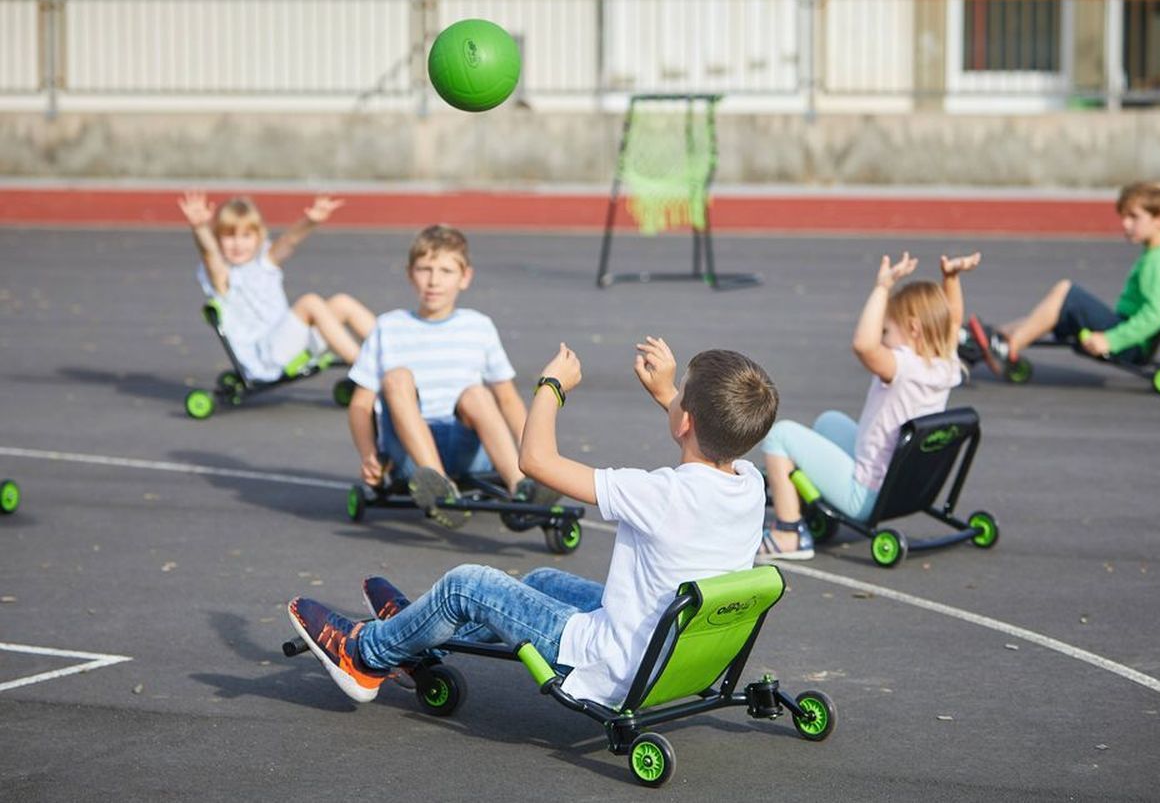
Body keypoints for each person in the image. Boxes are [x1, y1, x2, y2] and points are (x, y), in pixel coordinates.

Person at [288, 337, 779, 707]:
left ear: (686, 420)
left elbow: (535, 461)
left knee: (467, 585)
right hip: (677, 656)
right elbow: (704, 437)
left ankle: (365, 653)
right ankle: (417, 635)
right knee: (543, 580)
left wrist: (551, 388)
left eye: (680, 399)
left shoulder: (658, 493)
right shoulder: (749, 481)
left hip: (616, 666)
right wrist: (671, 393)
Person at [757, 251, 980, 561]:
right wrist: (951, 279)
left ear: (913, 329)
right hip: (901, 489)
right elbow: (952, 319)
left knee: (780, 435)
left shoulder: (903, 367)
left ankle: (789, 532)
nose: (883, 338)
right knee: (828, 422)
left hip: (865, 496)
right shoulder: (946, 364)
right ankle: (806, 503)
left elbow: (864, 345)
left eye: (887, 331)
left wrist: (882, 287)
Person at [345, 224, 556, 528]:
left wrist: (538, 456)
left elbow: (507, 399)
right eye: (424, 269)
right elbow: (360, 406)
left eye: (445, 271)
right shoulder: (388, 327)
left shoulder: (479, 326)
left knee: (476, 394)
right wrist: (369, 456)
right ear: (410, 274)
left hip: (466, 445)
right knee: (397, 378)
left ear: (465, 277)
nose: (433, 281)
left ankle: (520, 485)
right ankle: (438, 485)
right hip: (409, 454)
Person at [965, 180, 1160, 374]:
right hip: (1127, 332)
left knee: (1066, 292)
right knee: (1051, 312)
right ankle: (993, 337)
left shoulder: (1158, 263)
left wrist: (1110, 341)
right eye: (1124, 217)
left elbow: (1154, 317)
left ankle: (1008, 348)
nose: (1125, 224)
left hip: (1129, 343)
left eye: (1134, 217)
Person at [178, 192, 375, 383]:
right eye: (229, 236)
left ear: (258, 237)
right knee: (310, 303)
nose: (238, 244)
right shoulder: (223, 277)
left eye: (246, 236)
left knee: (342, 303)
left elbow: (289, 241)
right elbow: (210, 254)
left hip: (289, 344)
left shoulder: (265, 263)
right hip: (265, 356)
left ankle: (398, 353)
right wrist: (200, 228)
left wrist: (311, 221)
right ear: (217, 238)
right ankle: (367, 373)